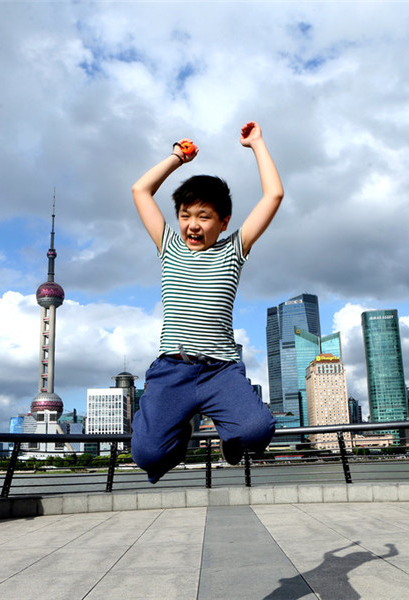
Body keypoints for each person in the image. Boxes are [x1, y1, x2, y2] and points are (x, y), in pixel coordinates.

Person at [130, 121, 284, 483]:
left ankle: (234, 440)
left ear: (223, 221)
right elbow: (140, 190)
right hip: (172, 369)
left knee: (257, 431)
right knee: (149, 456)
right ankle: (178, 429)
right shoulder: (169, 246)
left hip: (220, 371)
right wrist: (176, 158)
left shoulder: (234, 250)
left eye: (203, 217)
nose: (192, 225)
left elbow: (273, 195)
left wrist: (257, 144)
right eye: (185, 216)